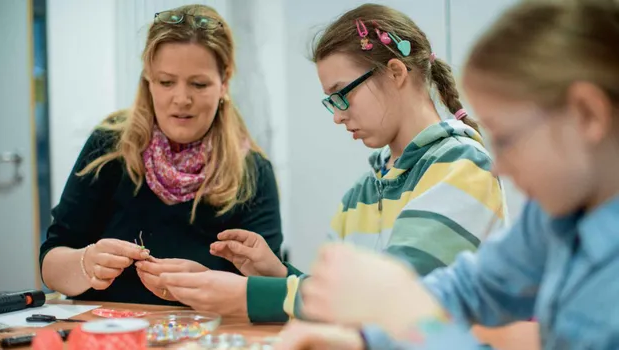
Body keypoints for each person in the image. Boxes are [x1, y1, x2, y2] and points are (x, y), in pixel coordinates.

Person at [280, 0, 619, 348]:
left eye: (505, 138)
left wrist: (402, 309)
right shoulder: (554, 215)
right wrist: (366, 339)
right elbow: (472, 285)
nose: (498, 165)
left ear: (587, 115)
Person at [180, 3, 506, 323]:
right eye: (331, 102)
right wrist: (278, 273)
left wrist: (247, 295)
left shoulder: (463, 166)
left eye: (342, 94)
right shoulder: (361, 193)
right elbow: (337, 302)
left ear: (395, 73)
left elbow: (391, 298)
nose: (337, 115)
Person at [39, 4, 282, 316]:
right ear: (148, 81)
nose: (181, 99)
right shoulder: (108, 147)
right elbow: (51, 263)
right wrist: (85, 264)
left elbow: (272, 289)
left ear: (224, 83)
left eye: (199, 84)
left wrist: (207, 285)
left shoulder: (252, 171)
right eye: (167, 82)